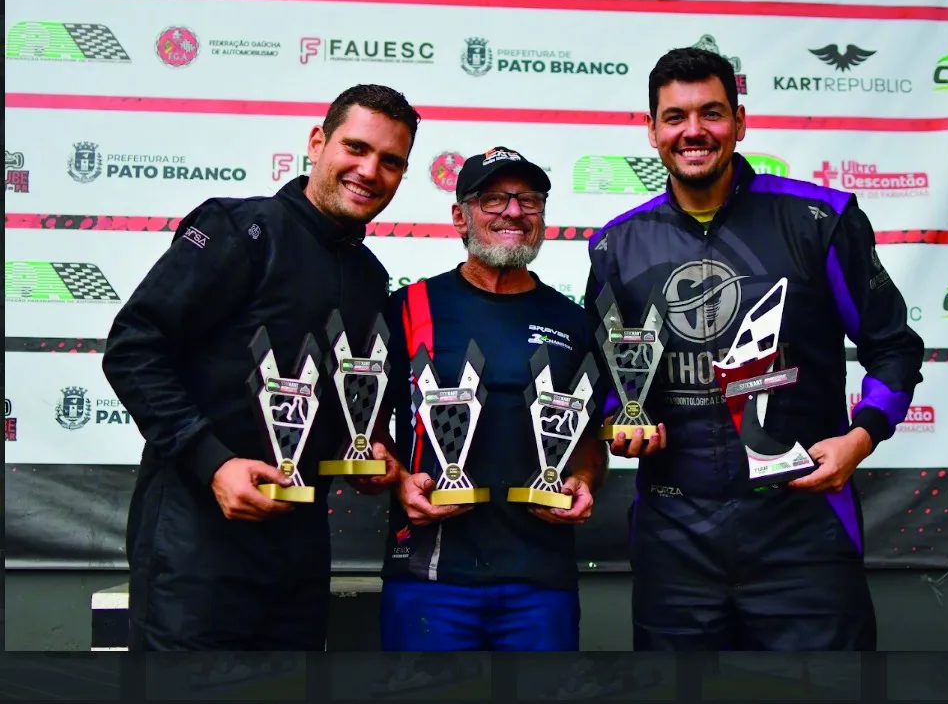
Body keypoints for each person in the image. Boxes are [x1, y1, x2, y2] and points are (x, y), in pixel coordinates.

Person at [584, 47, 924, 651]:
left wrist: (863, 435)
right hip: (674, 538)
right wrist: (617, 422)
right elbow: (609, 376)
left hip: (803, 532)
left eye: (711, 113)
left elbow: (893, 346)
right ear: (652, 130)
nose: (694, 131)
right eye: (676, 116)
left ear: (740, 123)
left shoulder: (820, 218)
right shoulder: (617, 245)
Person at [101, 84, 419, 651]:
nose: (370, 171)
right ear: (317, 142)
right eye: (356, 148)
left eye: (390, 161)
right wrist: (214, 463)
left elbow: (352, 405)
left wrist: (370, 452)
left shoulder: (371, 277)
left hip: (299, 552)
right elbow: (133, 349)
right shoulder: (238, 228)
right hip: (195, 544)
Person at [370, 146, 609, 651]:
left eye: (529, 200)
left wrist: (584, 479)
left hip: (540, 581)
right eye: (493, 199)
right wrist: (397, 482)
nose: (514, 212)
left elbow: (590, 436)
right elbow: (364, 426)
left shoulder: (575, 323)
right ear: (460, 215)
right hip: (430, 578)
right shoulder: (408, 308)